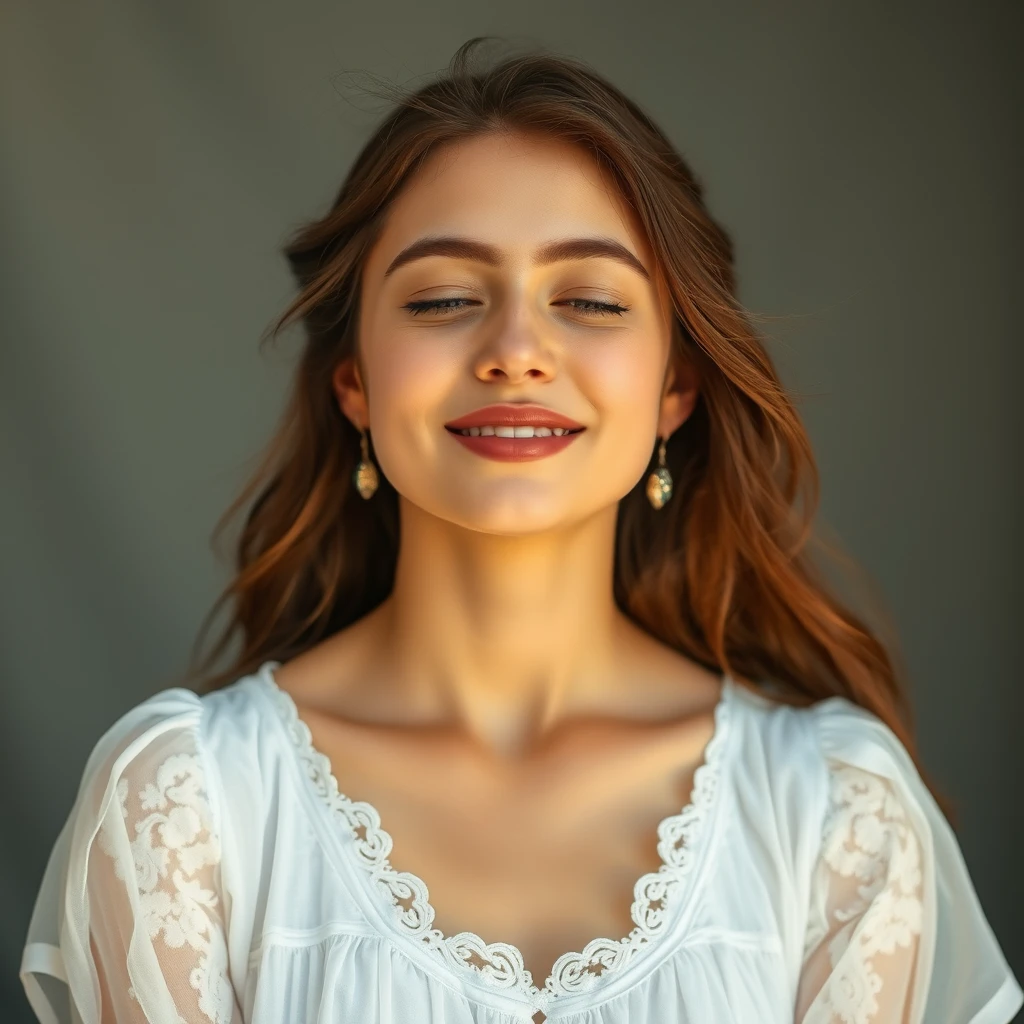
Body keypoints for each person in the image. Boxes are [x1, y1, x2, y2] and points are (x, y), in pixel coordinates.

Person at [20, 36, 1021, 1024]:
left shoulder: (839, 817)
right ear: (355, 383)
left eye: (586, 298)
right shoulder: (184, 810)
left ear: (676, 385)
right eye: (446, 297)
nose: (515, 351)